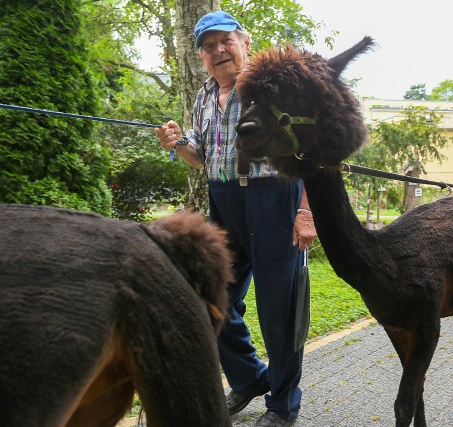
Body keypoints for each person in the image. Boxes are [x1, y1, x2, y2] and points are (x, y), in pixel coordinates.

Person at [155, 11, 317, 426]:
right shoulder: (204, 96)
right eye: (208, 47)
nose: (218, 51)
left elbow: (310, 152)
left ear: (245, 41)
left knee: (279, 311)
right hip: (224, 202)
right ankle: (249, 378)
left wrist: (305, 211)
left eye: (224, 41)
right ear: (201, 58)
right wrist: (177, 145)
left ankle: (283, 406)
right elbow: (201, 158)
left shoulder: (274, 87)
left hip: (274, 200)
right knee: (212, 299)